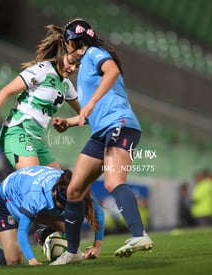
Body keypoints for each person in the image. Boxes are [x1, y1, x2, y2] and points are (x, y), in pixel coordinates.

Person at [49, 18, 154, 265]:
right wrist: (70, 122)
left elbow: (113, 71)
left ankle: (139, 235)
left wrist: (91, 104)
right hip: (101, 133)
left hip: (120, 125)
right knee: (75, 190)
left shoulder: (96, 53)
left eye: (67, 44)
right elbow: (90, 112)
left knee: (113, 182)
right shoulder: (84, 67)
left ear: (76, 42)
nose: (66, 50)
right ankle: (73, 252)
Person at [0, 24, 82, 243]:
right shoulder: (41, 71)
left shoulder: (67, 86)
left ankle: (45, 232)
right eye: (72, 61)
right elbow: (5, 91)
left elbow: (85, 115)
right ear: (62, 52)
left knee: (59, 190)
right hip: (16, 132)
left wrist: (77, 122)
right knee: (31, 185)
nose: (73, 67)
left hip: (36, 141)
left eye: (78, 65)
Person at [0, 166, 103, 267]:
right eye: (62, 206)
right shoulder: (36, 197)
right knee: (14, 260)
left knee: (70, 225)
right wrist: (31, 259)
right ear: (55, 194)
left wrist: (97, 246)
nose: (66, 209)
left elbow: (98, 212)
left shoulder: (75, 187)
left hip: (25, 188)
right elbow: (22, 231)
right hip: (5, 200)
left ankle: (43, 234)